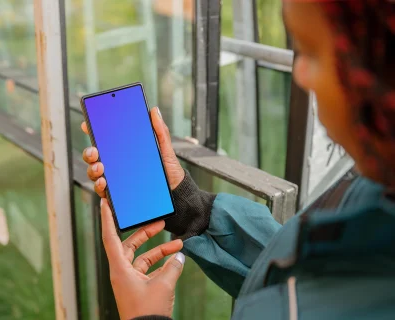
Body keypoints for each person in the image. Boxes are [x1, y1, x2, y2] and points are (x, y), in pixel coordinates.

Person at [81, 0, 395, 319]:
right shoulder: (377, 188)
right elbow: (306, 279)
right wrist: (189, 208)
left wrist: (144, 317)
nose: (299, 76)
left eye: (312, 52)